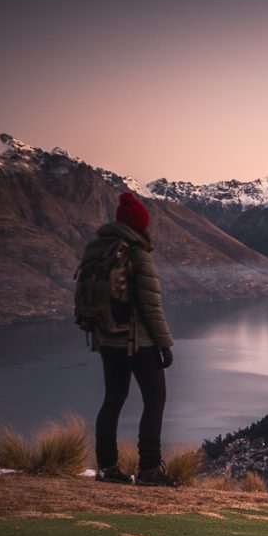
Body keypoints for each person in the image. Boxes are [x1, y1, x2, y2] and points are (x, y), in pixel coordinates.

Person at [81, 192, 179, 487]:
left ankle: (106, 467)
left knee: (112, 400)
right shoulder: (138, 254)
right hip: (139, 343)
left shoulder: (98, 249)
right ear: (140, 226)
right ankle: (150, 469)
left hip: (107, 340)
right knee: (155, 400)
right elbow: (151, 306)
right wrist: (165, 345)